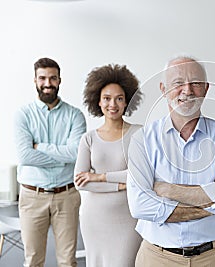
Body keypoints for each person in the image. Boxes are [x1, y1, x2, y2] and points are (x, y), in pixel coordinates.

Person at [126, 55, 215, 266]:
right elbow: (140, 206)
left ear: (206, 89)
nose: (187, 90)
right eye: (178, 83)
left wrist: (169, 191)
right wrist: (212, 201)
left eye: (195, 83)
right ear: (163, 89)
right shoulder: (142, 140)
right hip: (157, 258)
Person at [14, 57, 86, 267]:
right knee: (33, 261)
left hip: (67, 196)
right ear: (35, 80)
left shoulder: (75, 115)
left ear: (59, 80)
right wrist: (60, 157)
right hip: (32, 196)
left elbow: (75, 154)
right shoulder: (23, 115)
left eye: (52, 78)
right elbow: (25, 156)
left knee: (67, 261)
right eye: (42, 78)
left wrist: (41, 147)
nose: (47, 83)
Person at [73, 64, 143, 267]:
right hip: (94, 217)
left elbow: (140, 175)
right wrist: (120, 185)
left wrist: (100, 177)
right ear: (98, 100)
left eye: (119, 98)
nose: (113, 104)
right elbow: (80, 182)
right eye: (107, 98)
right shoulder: (89, 138)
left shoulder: (139, 133)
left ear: (127, 101)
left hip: (128, 217)